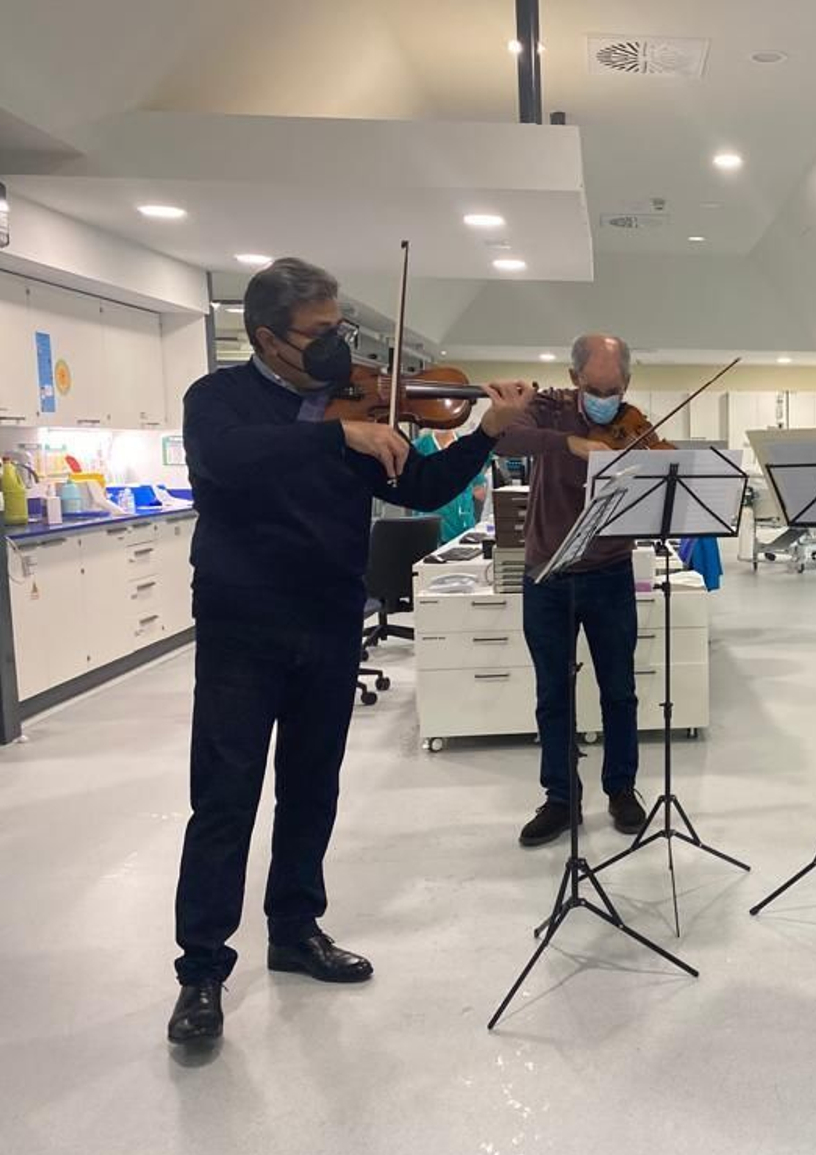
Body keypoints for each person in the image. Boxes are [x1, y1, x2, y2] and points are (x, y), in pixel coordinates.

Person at [168, 258, 529, 1046]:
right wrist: (336, 433)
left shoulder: (357, 410)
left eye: (342, 330)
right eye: (321, 333)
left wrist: (484, 435)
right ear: (268, 337)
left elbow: (425, 489)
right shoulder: (220, 401)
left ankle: (295, 930)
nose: (339, 347)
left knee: (311, 787)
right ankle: (201, 970)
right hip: (243, 621)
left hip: (329, 617)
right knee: (225, 796)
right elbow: (226, 463)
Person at [481, 335, 666, 848]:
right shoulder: (544, 408)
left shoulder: (634, 424)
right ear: (574, 379)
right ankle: (561, 797)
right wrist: (570, 442)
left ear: (626, 384)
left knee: (620, 690)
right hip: (547, 573)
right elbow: (505, 439)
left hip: (610, 572)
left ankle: (622, 788)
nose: (604, 398)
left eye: (614, 388)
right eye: (594, 388)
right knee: (553, 693)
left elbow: (658, 486)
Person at [411, 427, 490, 542]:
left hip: (463, 525)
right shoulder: (420, 446)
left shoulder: (464, 447)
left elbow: (478, 489)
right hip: (429, 527)